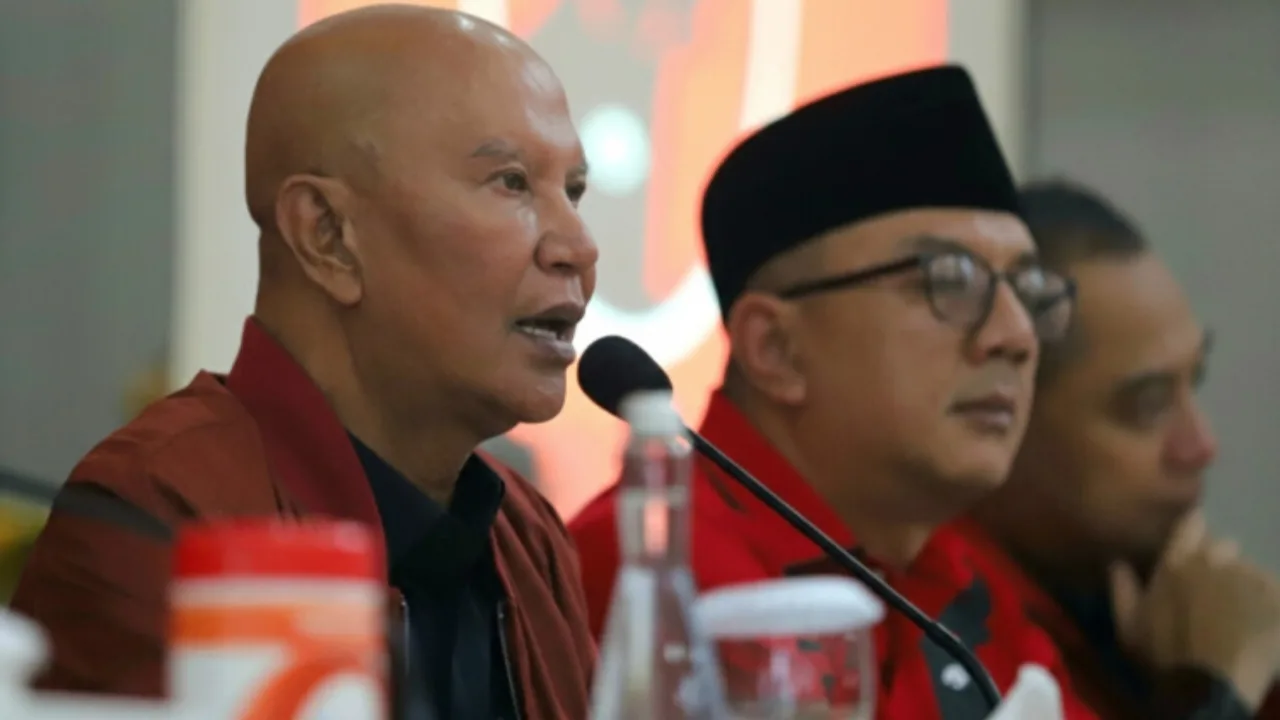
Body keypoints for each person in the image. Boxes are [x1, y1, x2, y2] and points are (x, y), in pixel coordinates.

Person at [10, 5, 598, 719]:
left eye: (574, 191)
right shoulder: (162, 516)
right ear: (328, 236)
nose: (578, 246)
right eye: (511, 182)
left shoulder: (527, 538)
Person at [570, 65, 1092, 719]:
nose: (1015, 336)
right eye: (950, 280)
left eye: (1027, 289)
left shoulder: (960, 577)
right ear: (776, 349)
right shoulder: (654, 569)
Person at [958, 180, 1280, 719]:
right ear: (1002, 416)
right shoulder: (945, 640)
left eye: (1194, 382)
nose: (1201, 446)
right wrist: (1218, 688)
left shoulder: (1145, 603)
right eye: (1148, 405)